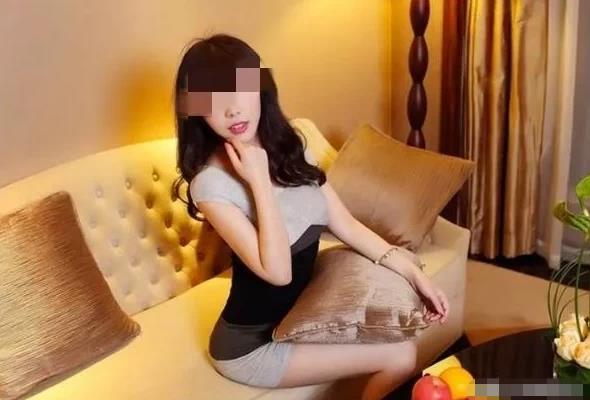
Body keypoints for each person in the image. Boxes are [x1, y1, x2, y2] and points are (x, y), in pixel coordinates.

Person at [172, 33, 449, 400]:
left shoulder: (291, 144)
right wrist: (258, 181)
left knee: (404, 347)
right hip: (250, 346)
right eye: (213, 100)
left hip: (300, 317)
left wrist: (415, 275)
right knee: (401, 355)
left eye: (239, 90)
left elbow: (345, 224)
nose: (232, 110)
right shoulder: (210, 184)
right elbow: (278, 273)